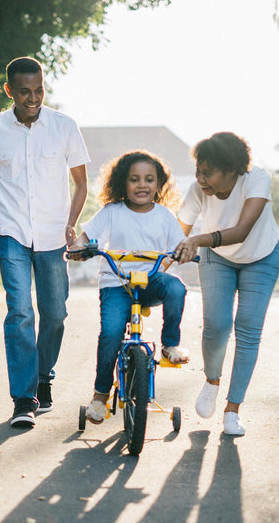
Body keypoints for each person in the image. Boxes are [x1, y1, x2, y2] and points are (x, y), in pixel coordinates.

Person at [0, 56, 90, 428]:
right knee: (21, 312)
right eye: (25, 91)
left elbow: (81, 183)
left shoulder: (64, 126)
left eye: (39, 90)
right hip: (11, 233)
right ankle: (24, 398)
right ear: (10, 91)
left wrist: (72, 224)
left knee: (55, 314)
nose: (33, 97)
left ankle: (44, 378)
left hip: (54, 234)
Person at [70, 151, 190, 424]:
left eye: (149, 179)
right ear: (122, 183)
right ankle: (100, 396)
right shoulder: (111, 212)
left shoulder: (164, 216)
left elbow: (179, 245)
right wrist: (79, 247)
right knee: (111, 334)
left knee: (176, 288)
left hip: (150, 282)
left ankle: (170, 345)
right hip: (116, 284)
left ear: (159, 185)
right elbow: (85, 237)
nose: (142, 185)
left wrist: (184, 252)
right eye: (134, 179)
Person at [175, 132, 279, 436]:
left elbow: (242, 230)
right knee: (217, 325)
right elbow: (176, 233)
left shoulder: (255, 180)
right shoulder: (198, 190)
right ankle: (211, 381)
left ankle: (233, 410)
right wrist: (158, 265)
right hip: (217, 258)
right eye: (198, 170)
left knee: (248, 328)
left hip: (261, 256)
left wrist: (196, 239)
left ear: (231, 170)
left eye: (208, 172)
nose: (200, 178)